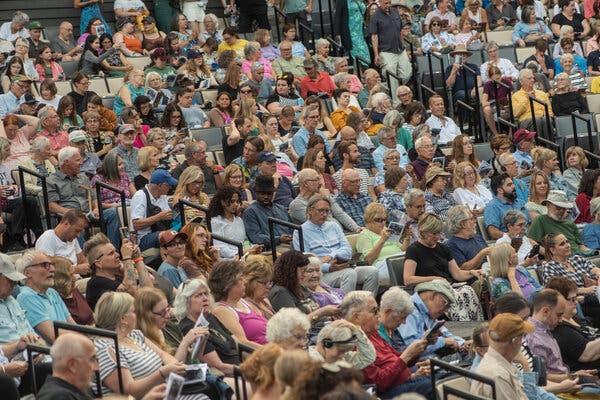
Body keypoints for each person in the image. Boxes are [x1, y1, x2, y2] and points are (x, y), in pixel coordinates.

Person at [92, 292, 194, 398]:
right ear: (123, 319)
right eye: (134, 311)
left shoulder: (134, 334)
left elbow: (163, 355)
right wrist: (162, 373)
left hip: (165, 391)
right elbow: (129, 392)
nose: (137, 315)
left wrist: (175, 367)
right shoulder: (105, 349)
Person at [341, 290, 432, 399]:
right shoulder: (352, 343)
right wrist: (407, 356)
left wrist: (419, 349)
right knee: (433, 386)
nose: (379, 315)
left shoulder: (372, 333)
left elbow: (397, 358)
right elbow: (379, 384)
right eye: (374, 311)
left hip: (403, 381)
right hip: (384, 393)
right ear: (356, 317)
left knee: (443, 375)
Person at [404, 213, 484, 321]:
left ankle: (474, 323)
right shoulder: (413, 250)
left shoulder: (443, 248)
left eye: (439, 233)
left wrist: (472, 273)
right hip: (428, 288)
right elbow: (408, 279)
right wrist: (435, 278)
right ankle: (461, 324)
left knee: (468, 290)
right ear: (423, 232)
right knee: (454, 295)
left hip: (446, 285)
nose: (437, 237)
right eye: (434, 234)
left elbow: (457, 274)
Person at [293, 194, 380, 295]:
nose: (324, 214)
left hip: (343, 266)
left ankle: (367, 306)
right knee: (349, 274)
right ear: (310, 211)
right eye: (321, 210)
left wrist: (331, 256)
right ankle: (342, 309)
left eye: (327, 211)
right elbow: (305, 262)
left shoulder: (333, 226)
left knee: (372, 271)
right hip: (321, 273)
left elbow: (347, 250)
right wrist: (328, 267)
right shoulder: (300, 231)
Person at [173, 277, 240, 371]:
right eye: (198, 295)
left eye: (206, 294)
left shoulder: (209, 317)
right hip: (229, 374)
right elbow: (218, 367)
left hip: (240, 364)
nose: (205, 298)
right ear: (186, 302)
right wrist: (249, 371)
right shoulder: (189, 328)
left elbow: (238, 344)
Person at [15, 250, 77, 344]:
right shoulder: (26, 297)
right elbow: (54, 337)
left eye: (52, 265)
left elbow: (74, 326)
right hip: (54, 354)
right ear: (27, 273)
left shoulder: (52, 292)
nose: (52, 269)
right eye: (45, 265)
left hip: (71, 347)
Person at [398, 280, 471, 359]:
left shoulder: (428, 312)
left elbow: (445, 333)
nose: (446, 310)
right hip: (419, 366)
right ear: (433, 295)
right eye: (446, 303)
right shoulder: (409, 310)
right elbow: (408, 347)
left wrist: (463, 343)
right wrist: (443, 342)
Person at [83, 232, 153, 310]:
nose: (118, 255)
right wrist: (126, 258)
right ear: (98, 263)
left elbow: (150, 292)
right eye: (111, 253)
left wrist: (138, 258)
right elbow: (131, 293)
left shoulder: (118, 277)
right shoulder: (96, 283)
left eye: (115, 251)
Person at [471, 313, 534, 400]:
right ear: (515, 341)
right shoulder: (498, 376)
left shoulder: (499, 364)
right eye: (521, 338)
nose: (522, 342)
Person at [540, 233, 600, 320]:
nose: (568, 245)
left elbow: (597, 271)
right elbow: (556, 291)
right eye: (562, 244)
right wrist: (586, 290)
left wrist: (597, 281)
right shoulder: (550, 267)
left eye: (567, 242)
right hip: (577, 302)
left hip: (595, 293)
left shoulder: (577, 259)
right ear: (552, 250)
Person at [209, 260, 267, 348]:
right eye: (240, 279)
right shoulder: (222, 311)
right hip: (262, 356)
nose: (245, 282)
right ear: (228, 284)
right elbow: (242, 343)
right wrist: (277, 352)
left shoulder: (242, 301)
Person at [547, 276, 600, 370]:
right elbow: (587, 354)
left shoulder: (574, 318)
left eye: (576, 298)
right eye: (572, 299)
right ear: (559, 301)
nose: (576, 302)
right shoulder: (560, 328)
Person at [36, 332, 99, 400]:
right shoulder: (58, 397)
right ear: (72, 365)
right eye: (92, 359)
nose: (97, 368)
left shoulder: (69, 390)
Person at [356, 203, 405, 284]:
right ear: (368, 220)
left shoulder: (386, 229)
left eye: (384, 219)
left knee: (414, 254)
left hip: (398, 259)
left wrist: (407, 238)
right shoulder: (364, 235)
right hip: (381, 265)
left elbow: (401, 249)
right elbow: (369, 261)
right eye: (378, 220)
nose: (383, 223)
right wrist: (382, 240)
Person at [129, 169, 176, 251]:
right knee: (165, 235)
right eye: (169, 185)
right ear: (160, 185)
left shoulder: (162, 196)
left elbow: (167, 218)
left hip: (160, 231)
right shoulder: (140, 196)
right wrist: (158, 217)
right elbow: (136, 224)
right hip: (142, 239)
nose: (170, 188)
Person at [242, 175, 292, 250]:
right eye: (262, 194)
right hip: (270, 248)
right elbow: (255, 237)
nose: (266, 196)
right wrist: (278, 239)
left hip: (291, 243)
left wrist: (291, 237)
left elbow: (292, 229)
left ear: (273, 193)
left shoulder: (281, 209)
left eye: (269, 194)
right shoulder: (250, 212)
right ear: (256, 193)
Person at [35, 210, 90, 275]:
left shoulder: (71, 238)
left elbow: (81, 259)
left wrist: (88, 267)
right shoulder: (48, 238)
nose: (78, 235)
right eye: (77, 231)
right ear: (66, 224)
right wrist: (75, 270)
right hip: (61, 282)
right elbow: (45, 268)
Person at [445, 205, 491, 271]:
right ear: (463, 224)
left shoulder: (477, 237)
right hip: (475, 278)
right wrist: (482, 254)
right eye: (471, 219)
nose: (475, 221)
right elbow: (462, 269)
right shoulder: (451, 245)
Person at [484, 173, 530, 239]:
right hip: (509, 242)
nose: (513, 186)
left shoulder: (520, 202)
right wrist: (512, 236)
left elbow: (529, 224)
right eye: (509, 185)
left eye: (513, 183)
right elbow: (493, 232)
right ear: (500, 190)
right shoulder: (492, 207)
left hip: (527, 239)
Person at [51, 256, 93, 325]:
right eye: (71, 275)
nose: (75, 278)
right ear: (61, 278)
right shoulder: (56, 300)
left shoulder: (73, 290)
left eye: (74, 274)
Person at [334, 0, 371, 66]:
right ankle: (358, 73)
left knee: (365, 55)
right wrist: (337, 33)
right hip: (350, 33)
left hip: (361, 33)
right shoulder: (342, 1)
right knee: (357, 54)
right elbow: (337, 16)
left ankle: (359, 73)